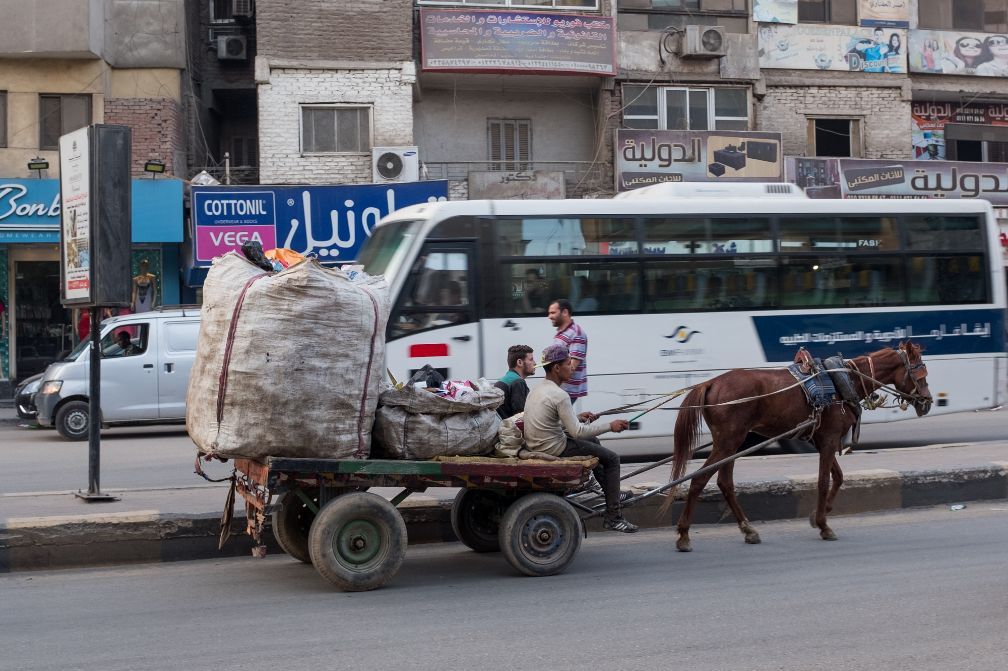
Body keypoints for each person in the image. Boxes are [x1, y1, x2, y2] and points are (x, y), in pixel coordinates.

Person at [523, 343, 638, 533]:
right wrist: (611, 426)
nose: (572, 367)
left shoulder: (537, 389)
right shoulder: (560, 395)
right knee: (612, 459)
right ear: (556, 368)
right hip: (553, 448)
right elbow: (577, 433)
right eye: (568, 363)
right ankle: (614, 517)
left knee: (593, 443)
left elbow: (550, 422)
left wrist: (577, 418)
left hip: (539, 444)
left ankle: (612, 495)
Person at [548, 299, 587, 403]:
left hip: (566, 392)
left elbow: (572, 367)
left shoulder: (576, 333)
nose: (549, 316)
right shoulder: (562, 332)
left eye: (553, 313)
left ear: (565, 312)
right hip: (558, 390)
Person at [494, 344, 535, 419]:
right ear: (519, 362)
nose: (535, 363)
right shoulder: (518, 382)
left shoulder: (502, 380)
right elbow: (521, 416)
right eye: (531, 359)